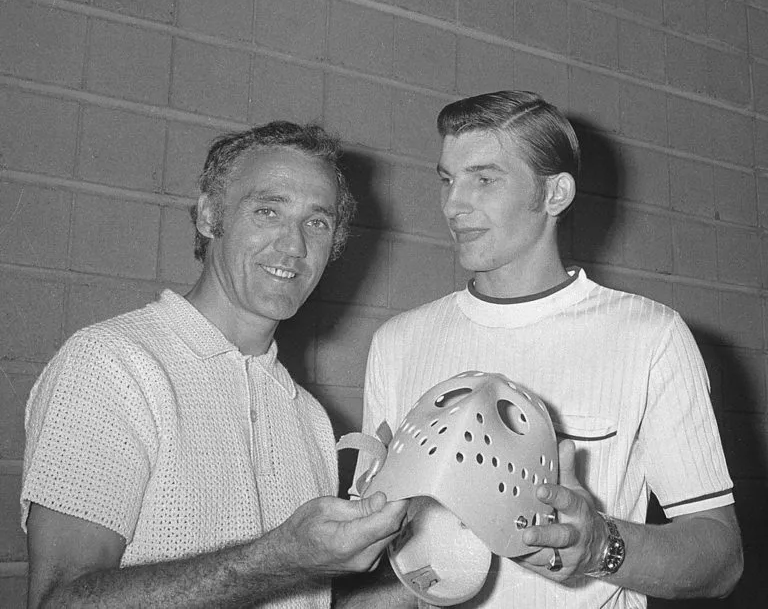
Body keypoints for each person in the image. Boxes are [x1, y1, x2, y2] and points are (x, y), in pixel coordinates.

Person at [352, 91, 743, 608]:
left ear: (555, 194)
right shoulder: (396, 343)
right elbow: (379, 550)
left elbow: (720, 559)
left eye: (484, 179)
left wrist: (601, 546)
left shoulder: (651, 337)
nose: (453, 204)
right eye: (447, 179)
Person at [21, 121, 407, 609]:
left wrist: (424, 560)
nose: (293, 246)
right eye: (267, 211)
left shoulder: (307, 416)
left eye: (317, 222)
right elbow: (59, 601)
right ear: (209, 216)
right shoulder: (112, 365)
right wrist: (281, 559)